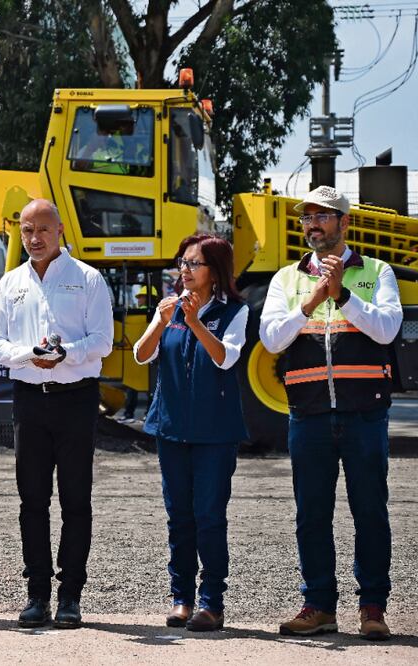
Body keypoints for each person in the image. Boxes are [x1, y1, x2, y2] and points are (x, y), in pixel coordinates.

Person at [260, 186, 402, 641]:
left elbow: (385, 330)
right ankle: (319, 606)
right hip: (309, 414)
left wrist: (342, 296)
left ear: (346, 223)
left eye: (324, 217)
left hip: (364, 414)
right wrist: (314, 297)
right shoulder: (287, 278)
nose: (314, 224)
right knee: (312, 514)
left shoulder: (378, 271)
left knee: (370, 512)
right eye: (308, 218)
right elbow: (271, 340)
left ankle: (373, 608)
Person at [0, 199, 113, 629]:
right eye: (26, 230)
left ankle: (71, 595)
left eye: (42, 229)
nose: (34, 238)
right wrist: (29, 356)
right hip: (28, 400)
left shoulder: (88, 279)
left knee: (77, 500)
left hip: (76, 399)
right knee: (32, 500)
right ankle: (37, 594)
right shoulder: (10, 283)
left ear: (59, 230)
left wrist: (63, 355)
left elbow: (102, 342)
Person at [133, 234, 248, 632]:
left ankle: (211, 602)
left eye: (193, 264)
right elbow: (141, 354)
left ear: (215, 272)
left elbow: (225, 358)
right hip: (172, 427)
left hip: (215, 432)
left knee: (209, 516)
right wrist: (162, 322)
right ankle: (181, 598)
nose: (184, 271)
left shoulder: (235, 311)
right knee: (179, 517)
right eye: (182, 263)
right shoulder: (169, 308)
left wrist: (196, 322)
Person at [118, 285, 158, 423]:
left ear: (147, 298)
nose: (139, 300)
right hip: (149, 356)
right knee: (150, 388)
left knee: (132, 387)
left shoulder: (134, 315)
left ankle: (129, 413)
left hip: (134, 356)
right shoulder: (157, 314)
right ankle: (148, 414)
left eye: (140, 297)